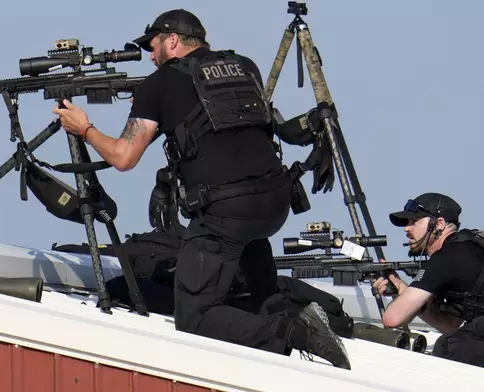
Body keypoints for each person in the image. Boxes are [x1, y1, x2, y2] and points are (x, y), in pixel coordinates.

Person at [52, 9, 351, 369]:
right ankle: (285, 333)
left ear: (173, 41)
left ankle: (297, 332)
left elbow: (123, 156)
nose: (150, 55)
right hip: (274, 201)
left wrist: (84, 128)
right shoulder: (244, 66)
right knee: (261, 295)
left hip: (227, 211)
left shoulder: (158, 84)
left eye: (154, 45)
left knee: (194, 318)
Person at [373, 192, 484, 367]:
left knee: (450, 347)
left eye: (414, 221)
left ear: (439, 224)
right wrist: (405, 292)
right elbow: (451, 325)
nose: (406, 229)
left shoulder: (447, 257)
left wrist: (404, 298)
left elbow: (392, 319)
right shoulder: (468, 246)